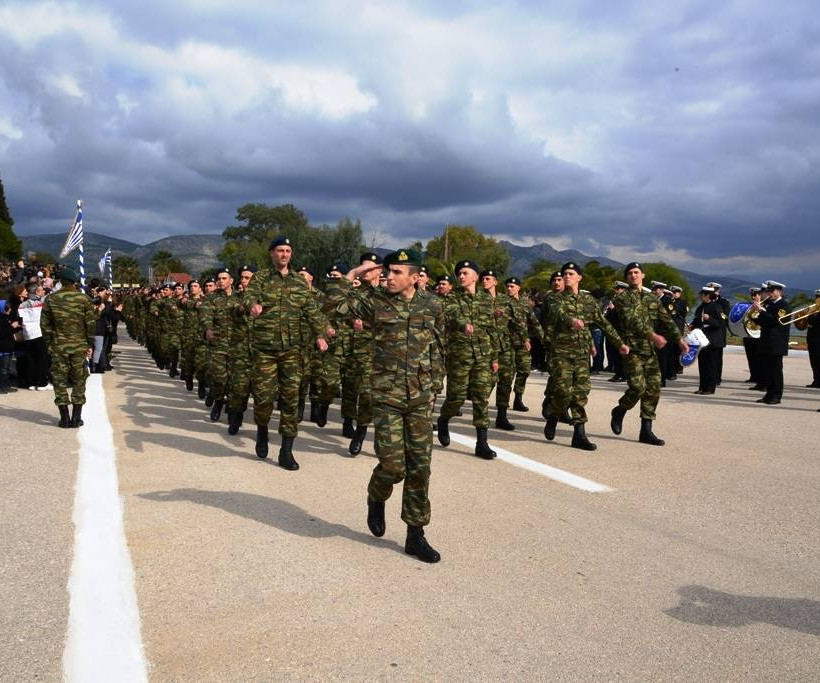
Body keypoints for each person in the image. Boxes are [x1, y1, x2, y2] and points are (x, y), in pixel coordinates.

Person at [345, 249, 445, 563]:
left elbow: (439, 348)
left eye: (397, 272)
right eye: (387, 271)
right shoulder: (375, 302)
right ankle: (377, 496)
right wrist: (354, 276)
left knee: (420, 468)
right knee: (393, 465)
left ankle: (415, 535)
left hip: (419, 398)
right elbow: (333, 306)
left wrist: (435, 386)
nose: (388, 277)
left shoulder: (433, 305)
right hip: (386, 396)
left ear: (415, 277)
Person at [243, 236, 330, 469]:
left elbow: (312, 311)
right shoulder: (261, 278)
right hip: (265, 349)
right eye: (280, 250)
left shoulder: (300, 283)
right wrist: (253, 305)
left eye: (287, 251)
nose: (284, 254)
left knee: (291, 399)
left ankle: (286, 451)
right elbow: (248, 296)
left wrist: (321, 333)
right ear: (272, 253)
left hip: (292, 349)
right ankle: (262, 430)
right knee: (263, 398)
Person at [543, 263, 629, 450]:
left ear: (579, 277)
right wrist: (571, 320)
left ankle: (579, 434)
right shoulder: (554, 299)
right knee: (563, 392)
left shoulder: (589, 301)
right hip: (561, 353)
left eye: (571, 274)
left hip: (582, 354)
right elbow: (557, 314)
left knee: (581, 393)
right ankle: (554, 415)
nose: (567, 277)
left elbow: (603, 323)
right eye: (564, 273)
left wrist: (620, 343)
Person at [610, 262, 688, 446]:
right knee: (637, 387)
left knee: (653, 390)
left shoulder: (651, 298)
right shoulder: (622, 299)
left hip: (650, 351)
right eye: (629, 273)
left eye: (636, 272)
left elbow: (666, 320)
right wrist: (653, 335)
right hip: (633, 350)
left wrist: (680, 339)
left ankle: (646, 430)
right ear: (626, 278)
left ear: (642, 275)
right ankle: (620, 410)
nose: (633, 275)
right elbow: (632, 321)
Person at [437, 260, 500, 460]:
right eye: (459, 274)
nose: (461, 276)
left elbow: (491, 329)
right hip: (460, 356)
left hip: (482, 355)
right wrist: (463, 324)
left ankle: (482, 443)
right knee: (456, 397)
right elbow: (451, 314)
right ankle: (443, 420)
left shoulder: (486, 299)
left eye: (465, 273)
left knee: (482, 398)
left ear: (475, 276)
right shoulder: (451, 298)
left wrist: (495, 357)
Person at [39, 267, 95, 428]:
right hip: (79, 346)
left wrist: (49, 343)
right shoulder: (83, 299)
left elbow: (44, 324)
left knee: (59, 379)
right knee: (79, 379)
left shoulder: (51, 299)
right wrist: (89, 344)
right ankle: (76, 418)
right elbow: (90, 324)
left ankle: (64, 417)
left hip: (58, 346)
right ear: (74, 282)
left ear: (61, 281)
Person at [505, 276, 542, 411]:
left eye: (512, 286)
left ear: (518, 288)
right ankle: (503, 403)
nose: (509, 289)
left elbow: (533, 321)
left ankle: (518, 399)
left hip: (522, 344)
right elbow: (514, 322)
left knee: (524, 370)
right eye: (508, 286)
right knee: (507, 374)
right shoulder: (503, 302)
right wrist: (526, 338)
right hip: (508, 343)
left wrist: (543, 338)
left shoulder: (525, 303)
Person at [751, 280, 790, 405]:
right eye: (768, 291)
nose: (770, 293)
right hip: (766, 341)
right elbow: (762, 321)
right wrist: (753, 314)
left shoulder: (783, 305)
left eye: (772, 291)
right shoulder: (768, 304)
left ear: (779, 291)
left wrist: (761, 310)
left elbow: (775, 322)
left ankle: (776, 395)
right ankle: (768, 394)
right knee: (767, 370)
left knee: (776, 371)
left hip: (776, 342)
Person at [690, 286, 726, 395]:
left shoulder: (717, 307)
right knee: (703, 365)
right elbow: (697, 321)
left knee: (711, 365)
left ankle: (710, 388)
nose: (701, 297)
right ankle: (702, 386)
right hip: (702, 340)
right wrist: (692, 325)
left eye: (703, 295)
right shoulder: (700, 307)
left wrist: (709, 319)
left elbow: (721, 323)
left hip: (713, 341)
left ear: (708, 295)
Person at [805, 289, 820, 388]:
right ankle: (816, 380)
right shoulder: (814, 309)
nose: (817, 299)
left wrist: (811, 316)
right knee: (813, 360)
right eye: (817, 297)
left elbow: (814, 321)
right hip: (812, 337)